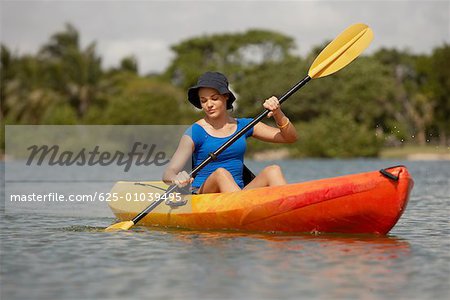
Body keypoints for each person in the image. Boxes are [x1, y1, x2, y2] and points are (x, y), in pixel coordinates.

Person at [163, 71, 298, 194]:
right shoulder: (195, 132)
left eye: (214, 98)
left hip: (238, 193)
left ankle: (290, 213)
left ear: (226, 96)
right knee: (221, 173)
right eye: (203, 101)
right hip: (204, 194)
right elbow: (168, 174)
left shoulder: (244, 126)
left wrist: (277, 113)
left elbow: (289, 137)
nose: (209, 105)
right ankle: (246, 210)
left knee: (273, 171)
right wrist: (177, 178)